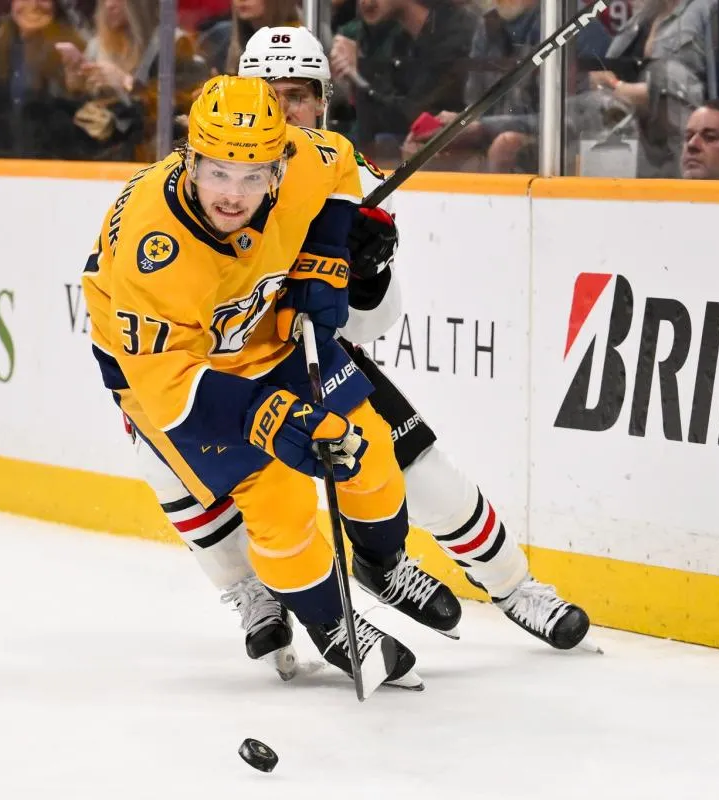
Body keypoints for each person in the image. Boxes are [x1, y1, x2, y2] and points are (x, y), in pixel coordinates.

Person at [136, 25, 592, 681]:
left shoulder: (332, 170)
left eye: (300, 96)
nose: (286, 109)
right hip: (206, 365)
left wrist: (368, 271)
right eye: (271, 92)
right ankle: (259, 596)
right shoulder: (217, 183)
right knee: (185, 467)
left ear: (323, 102)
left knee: (419, 469)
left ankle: (509, 585)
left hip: (305, 351)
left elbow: (375, 322)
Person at [81, 74, 462, 696]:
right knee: (278, 498)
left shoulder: (303, 158)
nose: (234, 195)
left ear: (279, 166)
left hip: (258, 325)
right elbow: (171, 387)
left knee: (364, 447)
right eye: (219, 173)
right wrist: (270, 416)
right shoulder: (156, 252)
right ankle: (334, 626)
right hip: (167, 366)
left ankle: (382, 563)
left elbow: (339, 165)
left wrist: (324, 255)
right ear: (191, 159)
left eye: (253, 175)